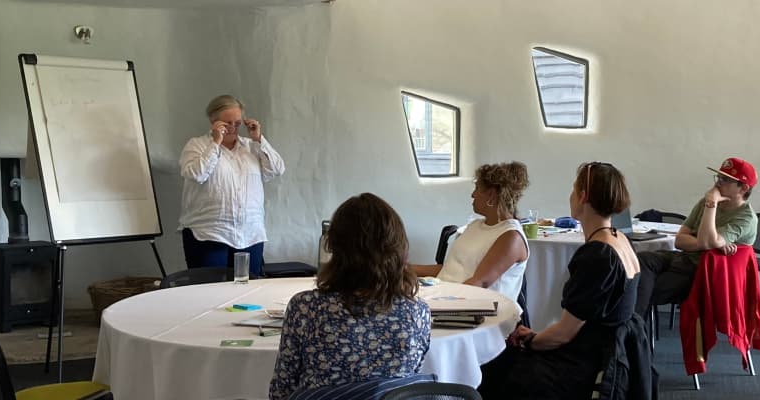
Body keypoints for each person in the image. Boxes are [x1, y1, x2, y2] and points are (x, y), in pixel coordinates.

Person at [478, 162, 649, 400]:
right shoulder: (621, 240)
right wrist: (536, 335)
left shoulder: (598, 255)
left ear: (583, 196)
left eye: (573, 189)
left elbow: (564, 334)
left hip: (590, 361)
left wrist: (531, 341)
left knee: (504, 367)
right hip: (611, 351)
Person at [269, 193, 431, 400]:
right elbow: (410, 385)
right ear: (398, 247)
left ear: (334, 247)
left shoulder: (305, 307)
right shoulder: (417, 311)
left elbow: (281, 390)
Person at [633, 157, 759, 316]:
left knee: (638, 290)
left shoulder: (745, 218)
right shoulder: (704, 203)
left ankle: (632, 332)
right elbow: (680, 240)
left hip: (701, 273)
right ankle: (633, 328)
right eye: (718, 177)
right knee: (641, 259)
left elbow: (705, 242)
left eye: (726, 179)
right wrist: (713, 242)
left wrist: (711, 203)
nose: (718, 182)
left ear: (743, 188)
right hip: (683, 258)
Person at [178, 95, 285, 276]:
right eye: (227, 124)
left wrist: (258, 138)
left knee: (248, 292)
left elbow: (276, 169)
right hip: (209, 233)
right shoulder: (196, 145)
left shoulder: (251, 146)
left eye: (237, 123)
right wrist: (215, 143)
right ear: (214, 122)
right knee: (210, 291)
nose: (233, 128)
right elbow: (197, 174)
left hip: (250, 233)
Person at [413, 162, 530, 304]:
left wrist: (431, 299)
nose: (472, 194)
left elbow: (478, 284)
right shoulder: (474, 226)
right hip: (448, 296)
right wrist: (405, 269)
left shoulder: (511, 237)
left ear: (491, 195)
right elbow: (449, 270)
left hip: (475, 310)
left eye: (477, 188)